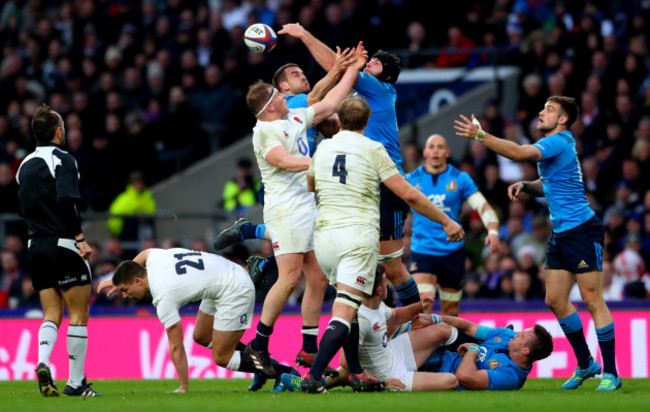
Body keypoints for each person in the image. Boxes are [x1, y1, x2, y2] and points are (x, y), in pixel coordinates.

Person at [283, 96, 464, 394]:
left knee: (349, 306)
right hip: (357, 238)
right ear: (367, 122)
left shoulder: (324, 147)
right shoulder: (373, 149)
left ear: (339, 119)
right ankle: (314, 378)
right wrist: (446, 221)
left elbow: (311, 185)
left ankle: (355, 373)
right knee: (344, 311)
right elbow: (411, 195)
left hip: (325, 238)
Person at [454, 95, 621, 390]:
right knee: (555, 300)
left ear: (564, 120)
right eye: (543, 108)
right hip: (562, 233)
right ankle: (586, 364)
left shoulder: (559, 140)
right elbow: (552, 185)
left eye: (549, 110)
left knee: (593, 300)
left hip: (582, 230)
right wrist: (527, 187)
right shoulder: (558, 148)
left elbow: (519, 153)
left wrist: (481, 135)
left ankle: (611, 372)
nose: (541, 113)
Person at [280, 22, 422, 308]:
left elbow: (339, 66)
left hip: (384, 182)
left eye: (376, 64)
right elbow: (338, 130)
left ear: (388, 75)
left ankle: (414, 316)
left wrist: (305, 34)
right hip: (359, 183)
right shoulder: (361, 101)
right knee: (366, 264)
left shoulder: (380, 89)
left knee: (391, 267)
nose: (368, 64)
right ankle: (383, 320)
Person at [242, 47, 362, 378]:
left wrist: (354, 69)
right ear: (269, 106)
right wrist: (321, 162)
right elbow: (282, 160)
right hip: (286, 211)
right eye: (275, 93)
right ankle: (259, 343)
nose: (282, 94)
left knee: (318, 276)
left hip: (307, 208)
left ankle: (309, 349)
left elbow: (332, 102)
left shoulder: (294, 116)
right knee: (290, 277)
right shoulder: (263, 131)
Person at [96, 248, 297, 393]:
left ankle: (284, 371)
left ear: (138, 281)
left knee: (222, 356)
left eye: (125, 289)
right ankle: (259, 366)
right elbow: (144, 254)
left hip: (235, 287)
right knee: (201, 336)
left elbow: (176, 346)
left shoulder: (163, 295)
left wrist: (183, 386)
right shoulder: (155, 260)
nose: (124, 295)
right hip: (223, 277)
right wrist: (117, 278)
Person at [16, 104, 101, 397]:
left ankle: (42, 361)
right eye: (62, 126)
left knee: (51, 313)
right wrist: (80, 239)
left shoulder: (23, 165)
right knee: (78, 312)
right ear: (57, 131)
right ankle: (76, 384)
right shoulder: (63, 159)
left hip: (35, 247)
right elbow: (66, 201)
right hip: (63, 245)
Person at [289, 266, 459, 392]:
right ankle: (325, 381)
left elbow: (397, 315)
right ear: (379, 290)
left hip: (393, 353)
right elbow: (346, 361)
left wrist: (420, 305)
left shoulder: (376, 304)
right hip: (391, 374)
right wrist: (380, 382)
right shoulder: (362, 320)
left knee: (442, 329)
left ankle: (321, 381)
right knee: (451, 381)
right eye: (385, 282)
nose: (388, 284)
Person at [407, 134, 501, 315]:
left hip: (453, 252)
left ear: (447, 152)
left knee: (450, 312)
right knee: (423, 305)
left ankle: (447, 344)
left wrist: (493, 231)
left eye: (440, 146)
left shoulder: (461, 179)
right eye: (432, 146)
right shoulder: (411, 179)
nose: (436, 150)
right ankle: (425, 343)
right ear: (425, 152)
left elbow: (482, 206)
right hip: (422, 251)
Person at [414, 313, 553, 390]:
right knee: (442, 328)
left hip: (438, 374)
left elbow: (464, 376)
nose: (516, 334)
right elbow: (470, 327)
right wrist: (435, 318)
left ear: (525, 350)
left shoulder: (510, 376)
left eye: (521, 335)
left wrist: (473, 350)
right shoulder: (507, 335)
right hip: (441, 354)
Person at [107, 170, 156, 241]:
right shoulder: (124, 198)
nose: (138, 184)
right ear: (131, 183)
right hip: (129, 237)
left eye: (140, 181)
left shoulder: (147, 196)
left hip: (146, 237)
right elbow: (114, 222)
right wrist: (118, 234)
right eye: (136, 182)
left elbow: (151, 214)